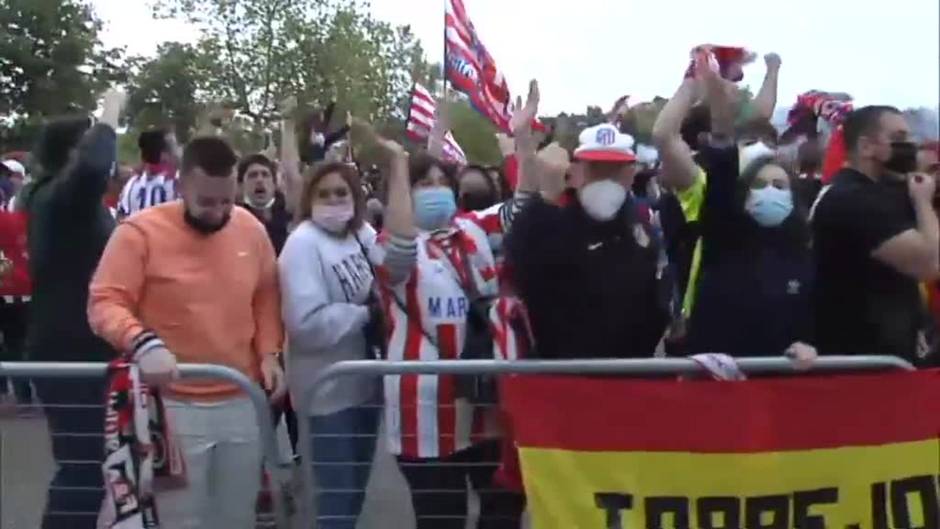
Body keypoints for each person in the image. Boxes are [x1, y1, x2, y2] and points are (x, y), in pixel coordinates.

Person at [88, 136, 286, 528]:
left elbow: (266, 294)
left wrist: (269, 352)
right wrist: (140, 341)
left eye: (226, 201)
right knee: (179, 518)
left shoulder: (250, 228)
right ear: (181, 187)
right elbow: (104, 301)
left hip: (241, 399)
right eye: (206, 203)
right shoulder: (139, 232)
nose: (217, 212)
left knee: (236, 515)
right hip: (172, 405)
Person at [367, 93, 537, 527]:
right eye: (425, 185)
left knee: (503, 511)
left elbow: (526, 210)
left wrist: (523, 142)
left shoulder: (474, 229)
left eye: (443, 182)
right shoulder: (390, 247)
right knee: (441, 519)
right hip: (424, 415)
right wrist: (401, 167)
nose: (437, 191)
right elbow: (401, 243)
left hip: (484, 407)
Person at [23, 89, 125, 529]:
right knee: (82, 471)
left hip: (88, 348)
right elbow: (91, 168)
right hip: (69, 351)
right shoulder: (59, 200)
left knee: (93, 469)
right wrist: (110, 112)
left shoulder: (66, 205)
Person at [671, 61, 816, 361]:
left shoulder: (802, 252)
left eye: (779, 185)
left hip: (781, 388)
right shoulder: (724, 239)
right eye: (760, 185)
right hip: (719, 385)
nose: (770, 192)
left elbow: (816, 316)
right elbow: (723, 159)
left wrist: (808, 346)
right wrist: (717, 95)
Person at [505, 121, 669, 360]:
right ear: (575, 171)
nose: (604, 180)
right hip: (560, 373)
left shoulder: (641, 227)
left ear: (630, 173)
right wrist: (546, 197)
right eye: (595, 169)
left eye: (613, 170)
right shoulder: (551, 221)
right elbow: (520, 268)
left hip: (629, 375)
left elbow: (654, 308)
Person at [279, 162, 381, 529]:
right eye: (324, 193)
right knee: (334, 499)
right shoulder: (302, 243)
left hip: (366, 387)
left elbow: (391, 270)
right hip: (326, 394)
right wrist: (365, 316)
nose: (335, 200)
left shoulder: (360, 234)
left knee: (355, 493)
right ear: (310, 199)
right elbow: (305, 324)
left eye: (342, 192)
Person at [813, 105, 939, 363]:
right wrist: (923, 202)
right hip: (863, 362)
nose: (909, 146)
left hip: (888, 355)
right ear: (866, 146)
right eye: (899, 138)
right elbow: (930, 264)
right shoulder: (852, 199)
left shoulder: (874, 193)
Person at [116, 128, 180, 219]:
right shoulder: (176, 186)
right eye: (174, 148)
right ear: (164, 155)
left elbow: (121, 216)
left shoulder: (132, 183)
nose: (178, 152)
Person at [238, 153, 291, 254]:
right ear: (240, 186)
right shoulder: (234, 221)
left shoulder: (287, 216)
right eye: (252, 175)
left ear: (274, 184)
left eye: (265, 174)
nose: (259, 180)